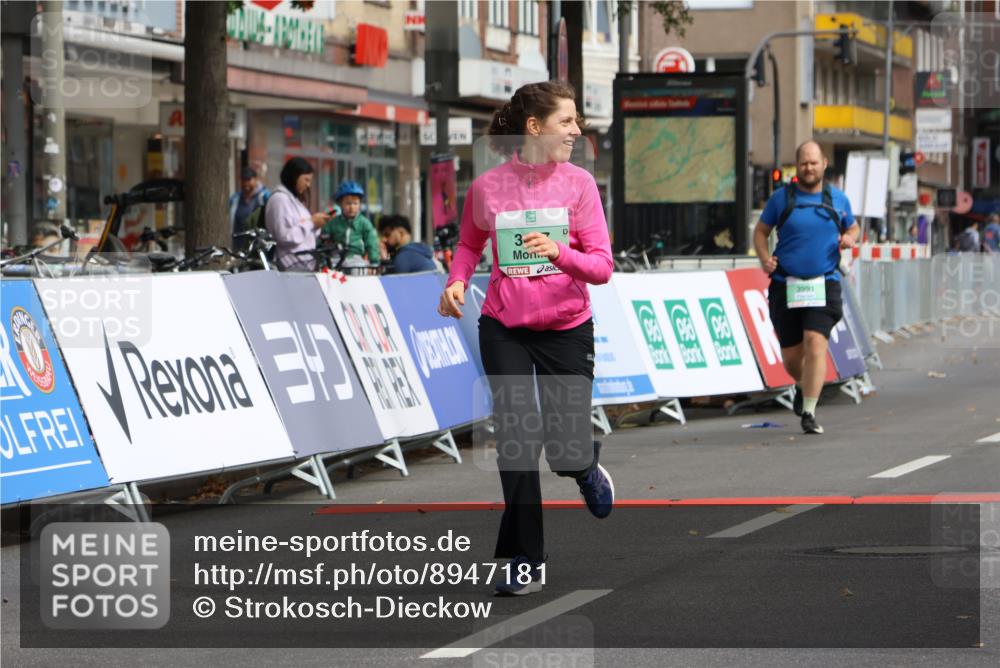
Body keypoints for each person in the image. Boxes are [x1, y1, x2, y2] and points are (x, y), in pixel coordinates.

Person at [437, 80, 615, 597]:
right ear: (534, 127)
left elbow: (602, 267)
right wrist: (455, 281)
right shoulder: (488, 187)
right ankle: (526, 559)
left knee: (563, 449)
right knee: (515, 441)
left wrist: (559, 253)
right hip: (504, 326)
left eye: (576, 121)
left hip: (566, 326)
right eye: (567, 121)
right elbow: (469, 245)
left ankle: (584, 466)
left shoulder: (580, 185)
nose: (576, 131)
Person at [753, 140, 860, 435]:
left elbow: (853, 226)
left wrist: (850, 237)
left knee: (815, 342)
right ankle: (802, 384)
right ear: (797, 166)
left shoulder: (838, 199)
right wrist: (764, 258)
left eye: (814, 162)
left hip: (824, 282)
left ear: (824, 164)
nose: (809, 168)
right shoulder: (781, 199)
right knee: (791, 358)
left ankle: (809, 412)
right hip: (785, 284)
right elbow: (760, 232)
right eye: (804, 163)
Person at [265, 157, 330, 271]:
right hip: (290, 265)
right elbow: (284, 236)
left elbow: (304, 231)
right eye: (306, 180)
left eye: (310, 181)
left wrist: (317, 224)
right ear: (294, 176)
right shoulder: (280, 200)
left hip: (303, 264)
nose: (308, 185)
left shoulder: (295, 201)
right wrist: (311, 223)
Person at [322, 180, 381, 268]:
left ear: (360, 204)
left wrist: (374, 261)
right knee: (330, 269)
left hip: (356, 258)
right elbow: (323, 238)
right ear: (340, 204)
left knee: (359, 268)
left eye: (355, 203)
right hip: (337, 258)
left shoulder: (364, 223)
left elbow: (371, 242)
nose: (352, 207)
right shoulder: (334, 223)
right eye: (348, 203)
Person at [229, 166, 270, 239]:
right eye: (243, 180)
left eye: (248, 180)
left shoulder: (264, 197)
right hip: (238, 240)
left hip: (259, 240)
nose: (246, 183)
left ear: (256, 179)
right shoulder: (234, 199)